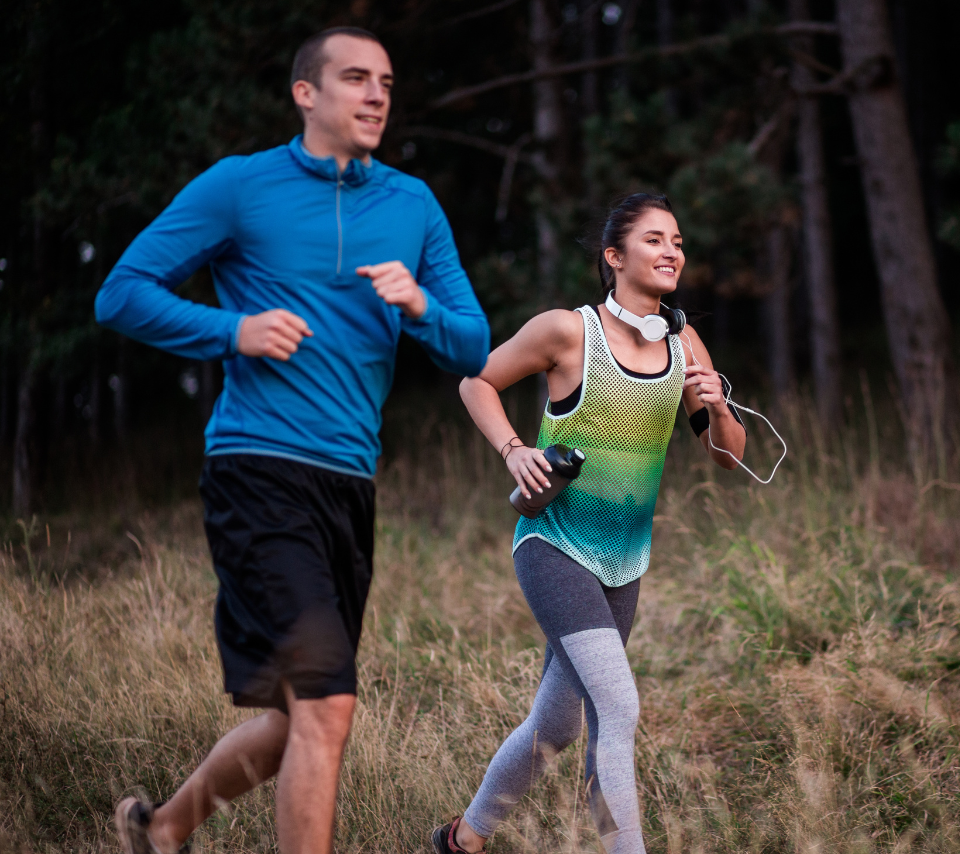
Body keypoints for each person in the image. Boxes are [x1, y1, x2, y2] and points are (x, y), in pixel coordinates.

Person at [95, 27, 489, 854]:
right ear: (306, 94)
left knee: (297, 723)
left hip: (349, 483)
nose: (377, 94)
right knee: (329, 702)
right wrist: (231, 330)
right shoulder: (241, 188)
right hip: (257, 468)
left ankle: (163, 828)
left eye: (385, 80)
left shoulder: (413, 205)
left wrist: (419, 307)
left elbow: (473, 348)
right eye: (355, 78)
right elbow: (122, 293)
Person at [437, 193, 747, 854]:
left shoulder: (683, 340)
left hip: (625, 558)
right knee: (618, 709)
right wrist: (515, 450)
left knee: (556, 725)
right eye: (656, 240)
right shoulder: (568, 332)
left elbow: (727, 459)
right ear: (614, 256)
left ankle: (462, 839)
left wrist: (719, 410)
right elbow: (475, 381)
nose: (673, 252)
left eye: (680, 242)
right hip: (554, 544)